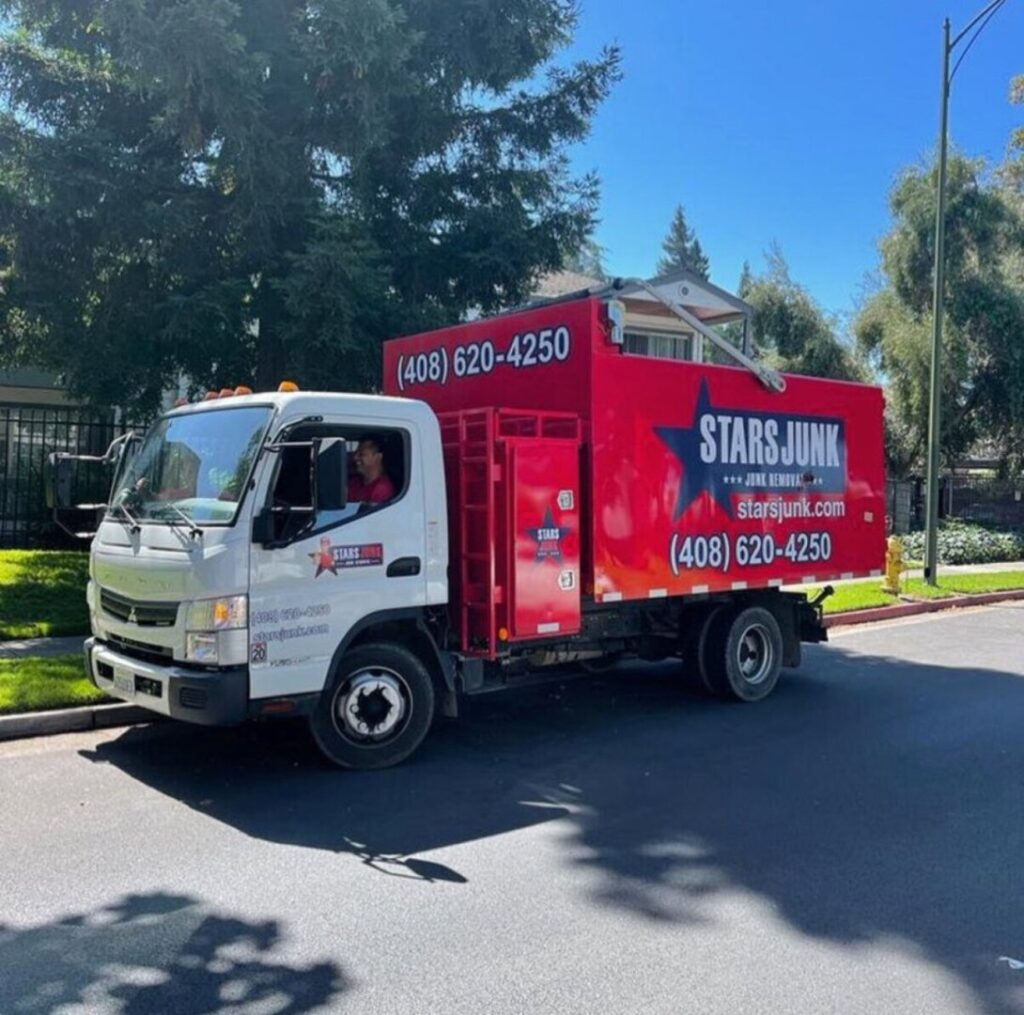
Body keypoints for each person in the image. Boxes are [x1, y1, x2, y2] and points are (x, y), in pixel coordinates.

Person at [347, 437, 396, 504]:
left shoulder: (382, 490)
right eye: (356, 453)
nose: (355, 457)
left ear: (378, 457)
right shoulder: (354, 482)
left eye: (361, 454)